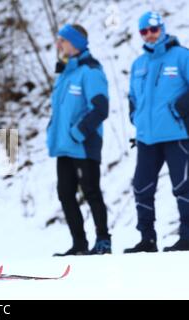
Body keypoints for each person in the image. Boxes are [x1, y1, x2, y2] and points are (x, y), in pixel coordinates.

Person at [124, 12, 189, 253]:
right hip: (146, 138)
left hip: (177, 135)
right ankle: (147, 240)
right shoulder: (138, 64)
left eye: (153, 29)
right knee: (141, 187)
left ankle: (187, 237)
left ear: (162, 28)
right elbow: (132, 96)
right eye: (144, 31)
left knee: (183, 186)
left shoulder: (182, 56)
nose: (150, 35)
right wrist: (134, 116)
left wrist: (178, 108)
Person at [47, 24, 111, 256]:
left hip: (84, 144)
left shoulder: (91, 70)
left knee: (91, 191)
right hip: (64, 146)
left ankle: (103, 241)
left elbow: (100, 108)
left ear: (76, 43)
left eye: (62, 40)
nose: (58, 45)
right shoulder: (65, 72)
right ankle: (80, 244)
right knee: (65, 193)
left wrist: (77, 132)